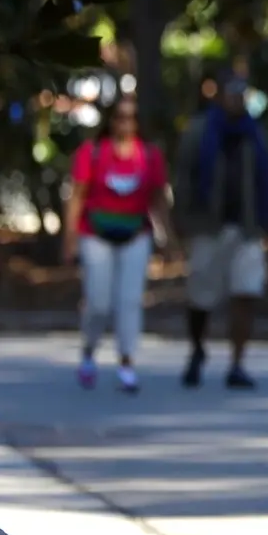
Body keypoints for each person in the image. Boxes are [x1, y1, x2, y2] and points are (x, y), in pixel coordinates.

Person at [61, 94, 174, 392]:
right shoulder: (93, 152)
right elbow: (77, 196)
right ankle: (89, 351)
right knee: (98, 302)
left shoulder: (149, 155)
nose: (126, 123)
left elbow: (159, 199)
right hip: (96, 234)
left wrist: (168, 237)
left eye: (131, 117)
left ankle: (126, 362)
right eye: (120, 117)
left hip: (135, 234)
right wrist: (69, 239)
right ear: (110, 120)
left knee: (129, 301)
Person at [172, 70, 268, 389]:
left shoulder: (254, 134)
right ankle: (197, 349)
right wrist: (184, 219)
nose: (236, 100)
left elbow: (266, 180)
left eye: (241, 94)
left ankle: (237, 363)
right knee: (201, 296)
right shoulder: (201, 131)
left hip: (246, 229)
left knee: (246, 292)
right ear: (219, 96)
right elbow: (183, 177)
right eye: (231, 93)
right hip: (209, 227)